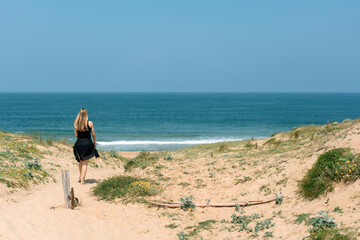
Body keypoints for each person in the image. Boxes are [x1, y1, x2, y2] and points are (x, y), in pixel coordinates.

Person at [73, 108, 99, 185]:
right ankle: (82, 181)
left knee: (81, 161)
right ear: (86, 115)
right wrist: (94, 142)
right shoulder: (90, 123)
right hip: (87, 143)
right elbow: (93, 134)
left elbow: (76, 135)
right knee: (85, 163)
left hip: (79, 143)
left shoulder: (76, 123)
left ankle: (81, 177)